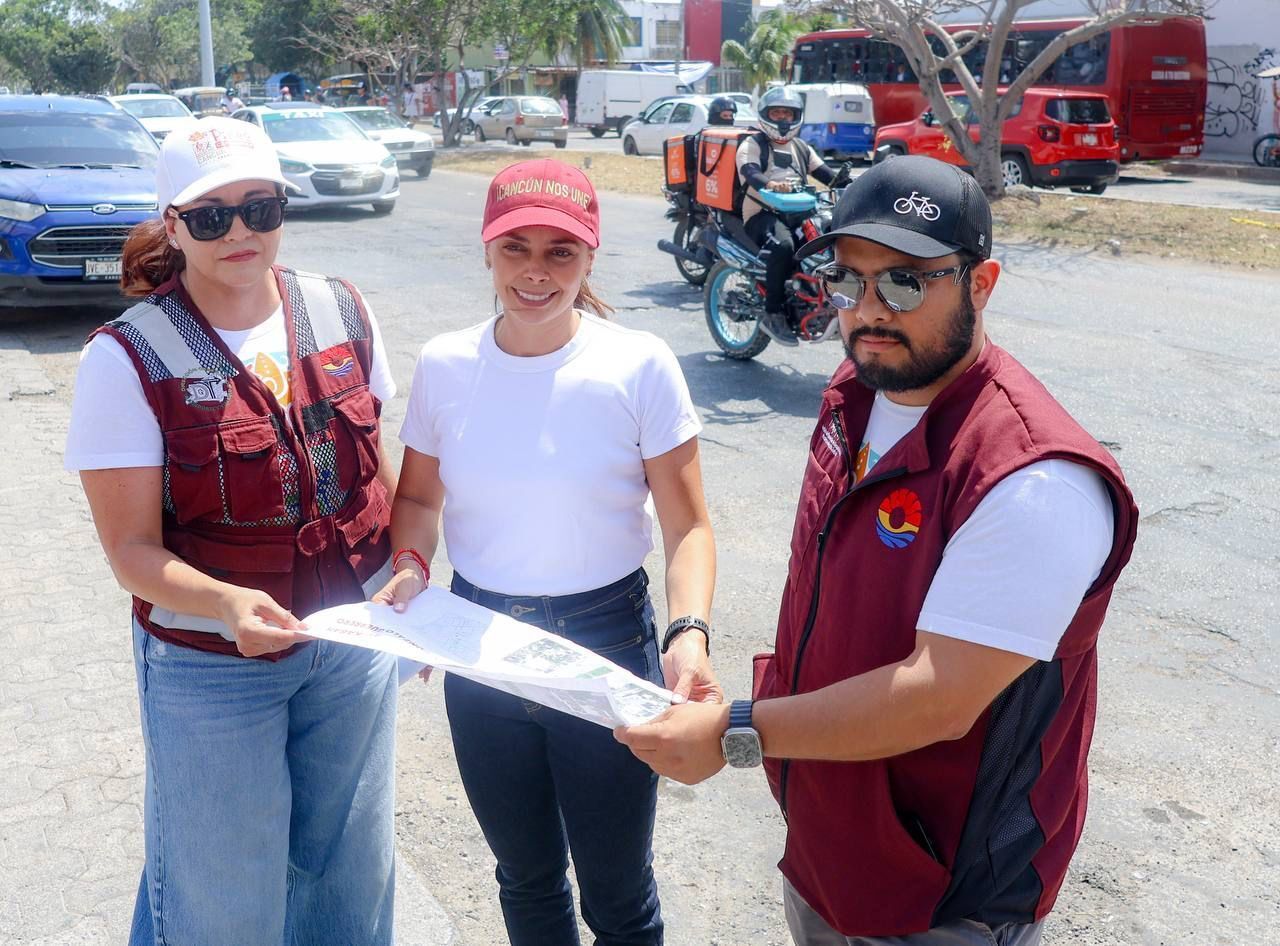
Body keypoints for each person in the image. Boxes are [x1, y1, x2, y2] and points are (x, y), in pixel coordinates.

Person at [617, 155, 1139, 946]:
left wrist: (738, 729)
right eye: (847, 279)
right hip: (830, 838)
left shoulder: (1034, 477)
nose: (867, 310)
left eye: (904, 282)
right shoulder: (859, 392)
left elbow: (939, 695)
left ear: (982, 284)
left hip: (942, 893)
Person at [65, 117, 401, 946]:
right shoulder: (126, 357)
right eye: (211, 216)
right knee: (221, 897)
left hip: (351, 645)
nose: (240, 232)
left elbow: (373, 471)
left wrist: (408, 580)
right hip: (212, 668)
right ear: (172, 225)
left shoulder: (339, 308)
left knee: (348, 881)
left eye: (261, 207)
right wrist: (224, 603)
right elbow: (131, 553)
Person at [375, 157, 719, 946]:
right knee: (524, 878)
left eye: (560, 251)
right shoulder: (446, 363)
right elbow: (419, 500)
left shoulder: (638, 365)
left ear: (590, 256)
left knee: (618, 895)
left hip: (605, 642)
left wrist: (689, 632)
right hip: (481, 644)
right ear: (487, 252)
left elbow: (689, 527)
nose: (536, 271)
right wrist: (411, 569)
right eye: (516, 248)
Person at [737, 85, 837, 347]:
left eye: (788, 114)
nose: (783, 119)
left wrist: (858, 182)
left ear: (796, 117)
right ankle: (773, 313)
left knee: (831, 240)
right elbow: (749, 171)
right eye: (777, 113)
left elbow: (827, 175)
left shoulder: (801, 147)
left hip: (799, 212)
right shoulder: (753, 144)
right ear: (766, 115)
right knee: (784, 246)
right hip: (762, 213)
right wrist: (770, 184)